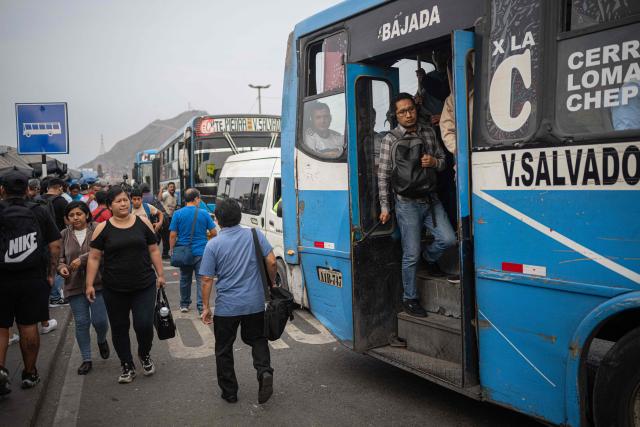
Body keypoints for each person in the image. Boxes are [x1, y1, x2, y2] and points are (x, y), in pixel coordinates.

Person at [378, 93, 457, 318]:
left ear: (416, 109)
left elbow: (443, 161)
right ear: (396, 115)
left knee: (449, 239)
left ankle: (429, 257)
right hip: (406, 205)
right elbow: (383, 176)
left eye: (410, 109)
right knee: (409, 255)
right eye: (402, 111)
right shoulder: (390, 139)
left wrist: (434, 162)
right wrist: (385, 207)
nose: (408, 114)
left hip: (431, 200)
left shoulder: (428, 132)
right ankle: (410, 299)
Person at [199, 199, 276, 404]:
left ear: (218, 219)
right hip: (254, 303)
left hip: (227, 307)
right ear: (239, 216)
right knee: (258, 339)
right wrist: (272, 284)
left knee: (224, 348)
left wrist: (206, 307)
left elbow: (207, 279)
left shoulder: (213, 244)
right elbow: (271, 261)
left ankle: (230, 392)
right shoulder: (254, 234)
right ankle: (264, 372)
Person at [86, 186, 165, 384]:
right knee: (120, 327)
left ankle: (144, 354)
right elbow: (94, 258)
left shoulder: (143, 222)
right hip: (114, 288)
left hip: (144, 285)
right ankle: (126, 364)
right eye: (118, 201)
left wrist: (161, 274)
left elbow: (154, 249)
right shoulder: (102, 228)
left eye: (125, 200)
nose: (123, 204)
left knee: (144, 325)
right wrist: (89, 284)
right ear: (110, 205)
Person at [0, 168, 62, 395]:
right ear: (28, 189)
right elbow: (55, 245)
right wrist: (51, 272)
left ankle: (0, 370)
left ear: (2, 190)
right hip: (32, 277)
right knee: (28, 326)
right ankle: (29, 373)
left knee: (1, 327)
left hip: (2, 279)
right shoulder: (39, 211)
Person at [58, 201, 110, 375]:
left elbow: (104, 251)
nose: (75, 218)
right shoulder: (64, 235)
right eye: (71, 215)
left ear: (87, 215)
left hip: (98, 284)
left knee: (100, 321)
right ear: (67, 219)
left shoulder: (97, 228)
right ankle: (86, 359)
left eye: (79, 214)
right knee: (81, 323)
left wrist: (83, 258)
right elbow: (59, 259)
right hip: (74, 286)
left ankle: (102, 340)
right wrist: (61, 268)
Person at [169, 188, 217, 314]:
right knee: (202, 279)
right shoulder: (204, 213)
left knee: (185, 278)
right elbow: (214, 233)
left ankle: (184, 304)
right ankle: (201, 307)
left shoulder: (177, 214)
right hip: (201, 252)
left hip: (184, 252)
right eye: (199, 198)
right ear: (196, 199)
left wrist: (171, 249)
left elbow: (173, 235)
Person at [41, 177, 69, 307]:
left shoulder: (39, 199)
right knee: (56, 264)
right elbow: (67, 221)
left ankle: (47, 295)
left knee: (44, 267)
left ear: (48, 187)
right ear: (60, 188)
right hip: (57, 238)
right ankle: (55, 297)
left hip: (41, 239)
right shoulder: (62, 201)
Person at [158, 182, 177, 259]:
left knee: (170, 235)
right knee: (166, 236)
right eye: (170, 187)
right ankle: (165, 253)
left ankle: (168, 252)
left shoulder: (175, 196)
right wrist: (161, 190)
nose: (172, 188)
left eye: (173, 187)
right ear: (168, 188)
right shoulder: (166, 194)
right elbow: (159, 199)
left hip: (172, 218)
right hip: (165, 218)